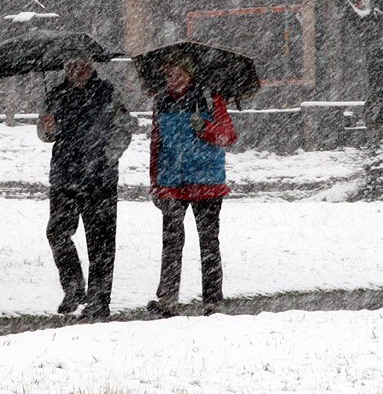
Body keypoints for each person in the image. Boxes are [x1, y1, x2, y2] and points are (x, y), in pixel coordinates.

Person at [37, 55, 135, 319]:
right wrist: (48, 129)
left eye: (79, 65)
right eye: (70, 66)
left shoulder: (107, 93)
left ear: (90, 66)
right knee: (57, 233)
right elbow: (45, 133)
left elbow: (125, 127)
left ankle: (99, 300)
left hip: (99, 179)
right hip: (64, 176)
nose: (75, 70)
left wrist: (107, 156)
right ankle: (73, 288)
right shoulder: (55, 95)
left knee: (101, 242)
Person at [148, 56, 237, 316]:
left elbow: (228, 136)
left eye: (179, 74)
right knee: (171, 242)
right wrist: (155, 181)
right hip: (172, 182)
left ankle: (212, 301)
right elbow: (156, 144)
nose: (173, 80)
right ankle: (167, 299)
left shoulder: (209, 98)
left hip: (206, 182)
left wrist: (205, 127)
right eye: (169, 75)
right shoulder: (161, 101)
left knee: (208, 242)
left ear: (190, 74)